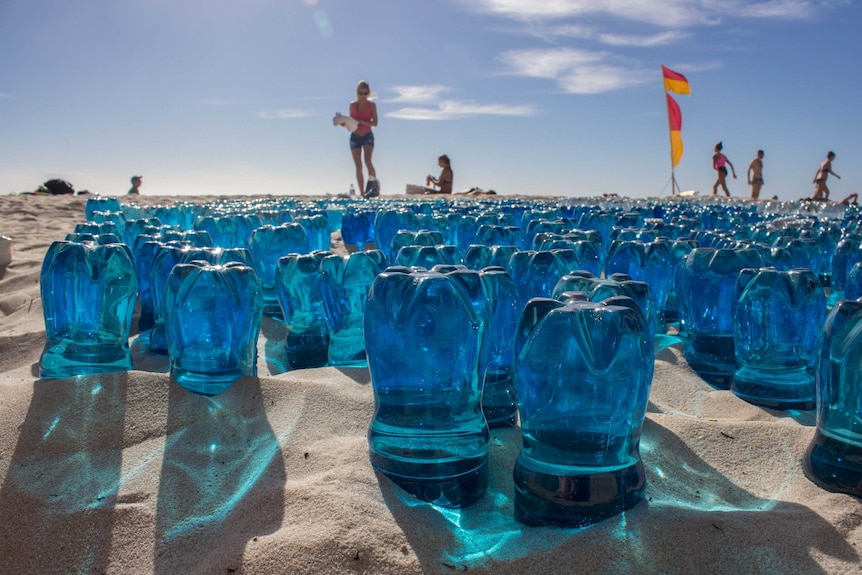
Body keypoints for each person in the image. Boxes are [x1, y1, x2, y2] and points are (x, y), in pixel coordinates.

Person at [349, 81, 378, 197]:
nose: (362, 95)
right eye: (360, 93)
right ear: (357, 93)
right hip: (355, 136)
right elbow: (350, 122)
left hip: (367, 135)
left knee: (368, 161)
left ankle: (373, 187)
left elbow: (375, 123)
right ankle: (362, 193)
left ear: (368, 93)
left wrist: (362, 122)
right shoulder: (352, 105)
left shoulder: (372, 106)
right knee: (358, 165)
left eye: (365, 93)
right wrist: (342, 122)